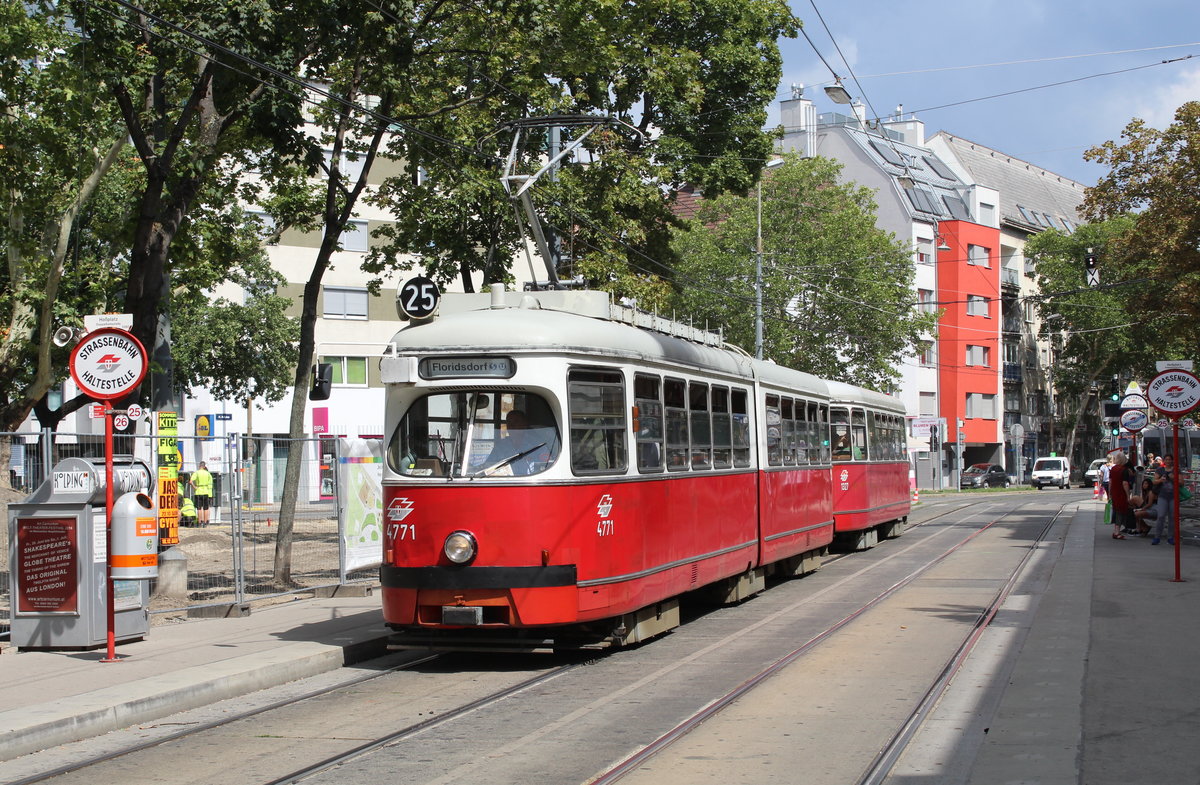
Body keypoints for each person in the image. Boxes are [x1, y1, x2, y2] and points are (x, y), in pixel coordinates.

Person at [481, 410, 557, 476]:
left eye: (516, 421)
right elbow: (488, 467)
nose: (511, 425)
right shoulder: (500, 446)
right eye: (509, 422)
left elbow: (547, 467)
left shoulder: (538, 445)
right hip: (506, 484)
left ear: (524, 424)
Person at [1149, 453, 1176, 545]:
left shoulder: (1176, 470)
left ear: (1172, 460)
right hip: (1162, 496)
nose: (1168, 461)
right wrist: (1160, 480)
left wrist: (1173, 478)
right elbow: (1154, 481)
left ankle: (1170, 537)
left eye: (1169, 459)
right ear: (1164, 460)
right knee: (1161, 516)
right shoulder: (1160, 470)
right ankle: (1157, 537)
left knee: (1172, 517)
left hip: (1173, 496)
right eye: (1166, 459)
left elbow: (1181, 482)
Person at [1107, 451, 1134, 540]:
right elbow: (1125, 483)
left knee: (1117, 511)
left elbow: (1110, 482)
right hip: (1121, 493)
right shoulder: (1124, 470)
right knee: (1121, 512)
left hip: (1114, 492)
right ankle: (1117, 532)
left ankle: (1116, 530)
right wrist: (1128, 495)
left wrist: (1110, 493)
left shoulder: (1113, 469)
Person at [190, 461, 214, 526]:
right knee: (206, 508)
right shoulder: (208, 473)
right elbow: (210, 483)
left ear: (199, 466)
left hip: (198, 491)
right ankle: (206, 522)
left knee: (199, 508)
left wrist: (194, 487)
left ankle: (200, 522)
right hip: (206, 491)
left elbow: (190, 481)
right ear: (204, 466)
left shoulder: (196, 473)